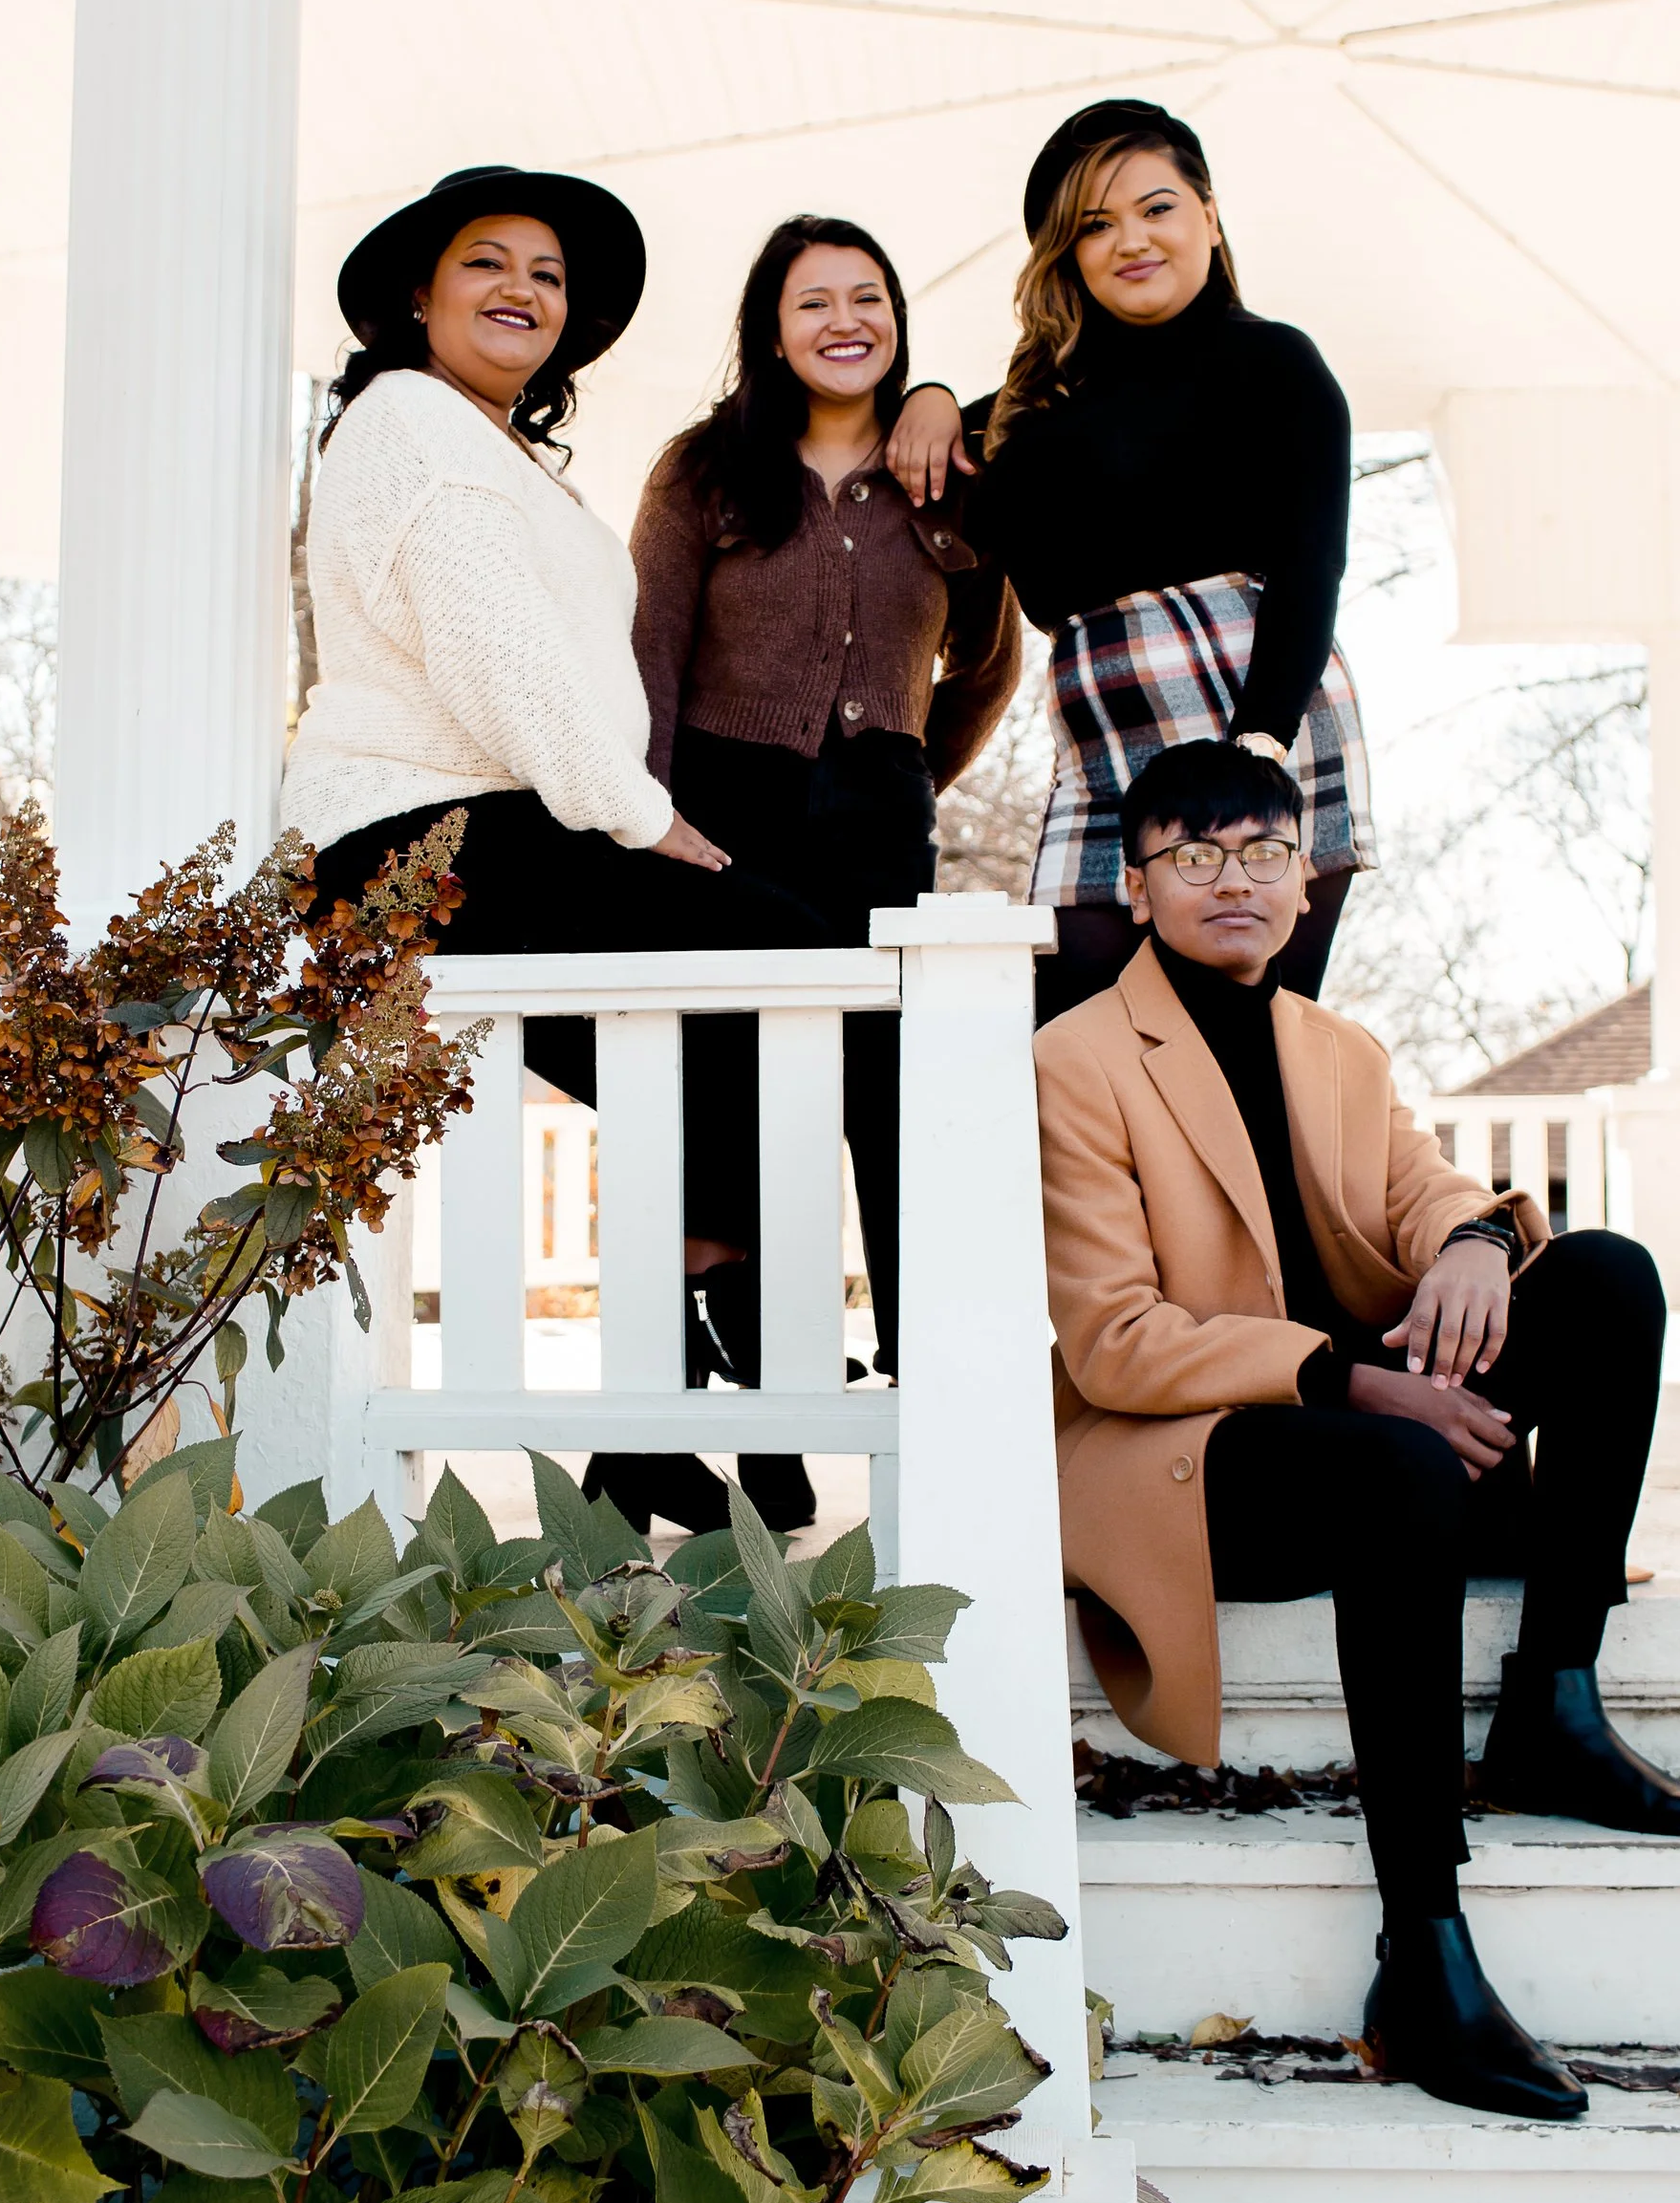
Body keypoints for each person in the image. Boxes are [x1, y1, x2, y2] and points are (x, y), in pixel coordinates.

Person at [1034, 737, 1680, 2121]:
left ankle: (1554, 1698)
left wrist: (1477, 1241)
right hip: (1198, 1453)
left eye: (1264, 851)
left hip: (1371, 1433)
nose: (1233, 878)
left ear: (1306, 878)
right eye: (1196, 853)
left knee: (1603, 1276)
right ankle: (1423, 1949)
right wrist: (1352, 1376)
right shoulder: (1078, 1058)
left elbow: (1425, 1192)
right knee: (1401, 1452)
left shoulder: (1337, 1048)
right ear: (1139, 885)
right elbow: (1116, 1337)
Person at [282, 165, 829, 1528]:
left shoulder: (486, 447)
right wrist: (648, 820)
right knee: (789, 956)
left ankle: (654, 1407)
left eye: (549, 274)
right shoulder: (411, 423)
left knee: (712, 1058)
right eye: (488, 263)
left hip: (494, 823)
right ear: (418, 294)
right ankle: (682, 1379)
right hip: (421, 834)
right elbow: (499, 662)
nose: (523, 289)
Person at [629, 213, 1021, 1414]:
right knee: (729, 1102)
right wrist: (643, 811)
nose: (844, 321)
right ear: (771, 327)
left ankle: (920, 1391)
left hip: (877, 821)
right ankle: (699, 1405)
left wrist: (905, 767)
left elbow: (990, 661)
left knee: (884, 1093)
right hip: (721, 811)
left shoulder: (949, 478)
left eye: (869, 298)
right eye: (814, 301)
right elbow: (647, 647)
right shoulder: (702, 467)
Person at [889, 98, 1374, 1020]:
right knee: (1076, 1037)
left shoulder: (1276, 364)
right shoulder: (1039, 403)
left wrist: (1258, 750)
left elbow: (1315, 568)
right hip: (1101, 732)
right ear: (1066, 253)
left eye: (1157, 207)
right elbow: (937, 456)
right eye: (1095, 225)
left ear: (1209, 214)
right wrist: (935, 391)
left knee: (1242, 1042)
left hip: (1252, 707)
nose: (1132, 241)